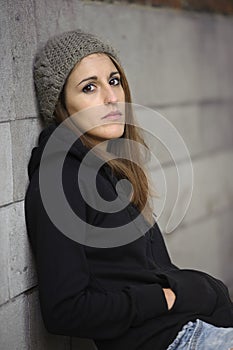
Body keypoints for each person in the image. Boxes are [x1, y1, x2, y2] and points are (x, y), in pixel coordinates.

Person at [25, 29, 233, 350]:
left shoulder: (110, 172)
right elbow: (64, 310)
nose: (110, 98)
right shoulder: (60, 180)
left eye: (114, 81)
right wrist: (166, 297)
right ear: (61, 104)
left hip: (194, 329)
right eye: (89, 87)